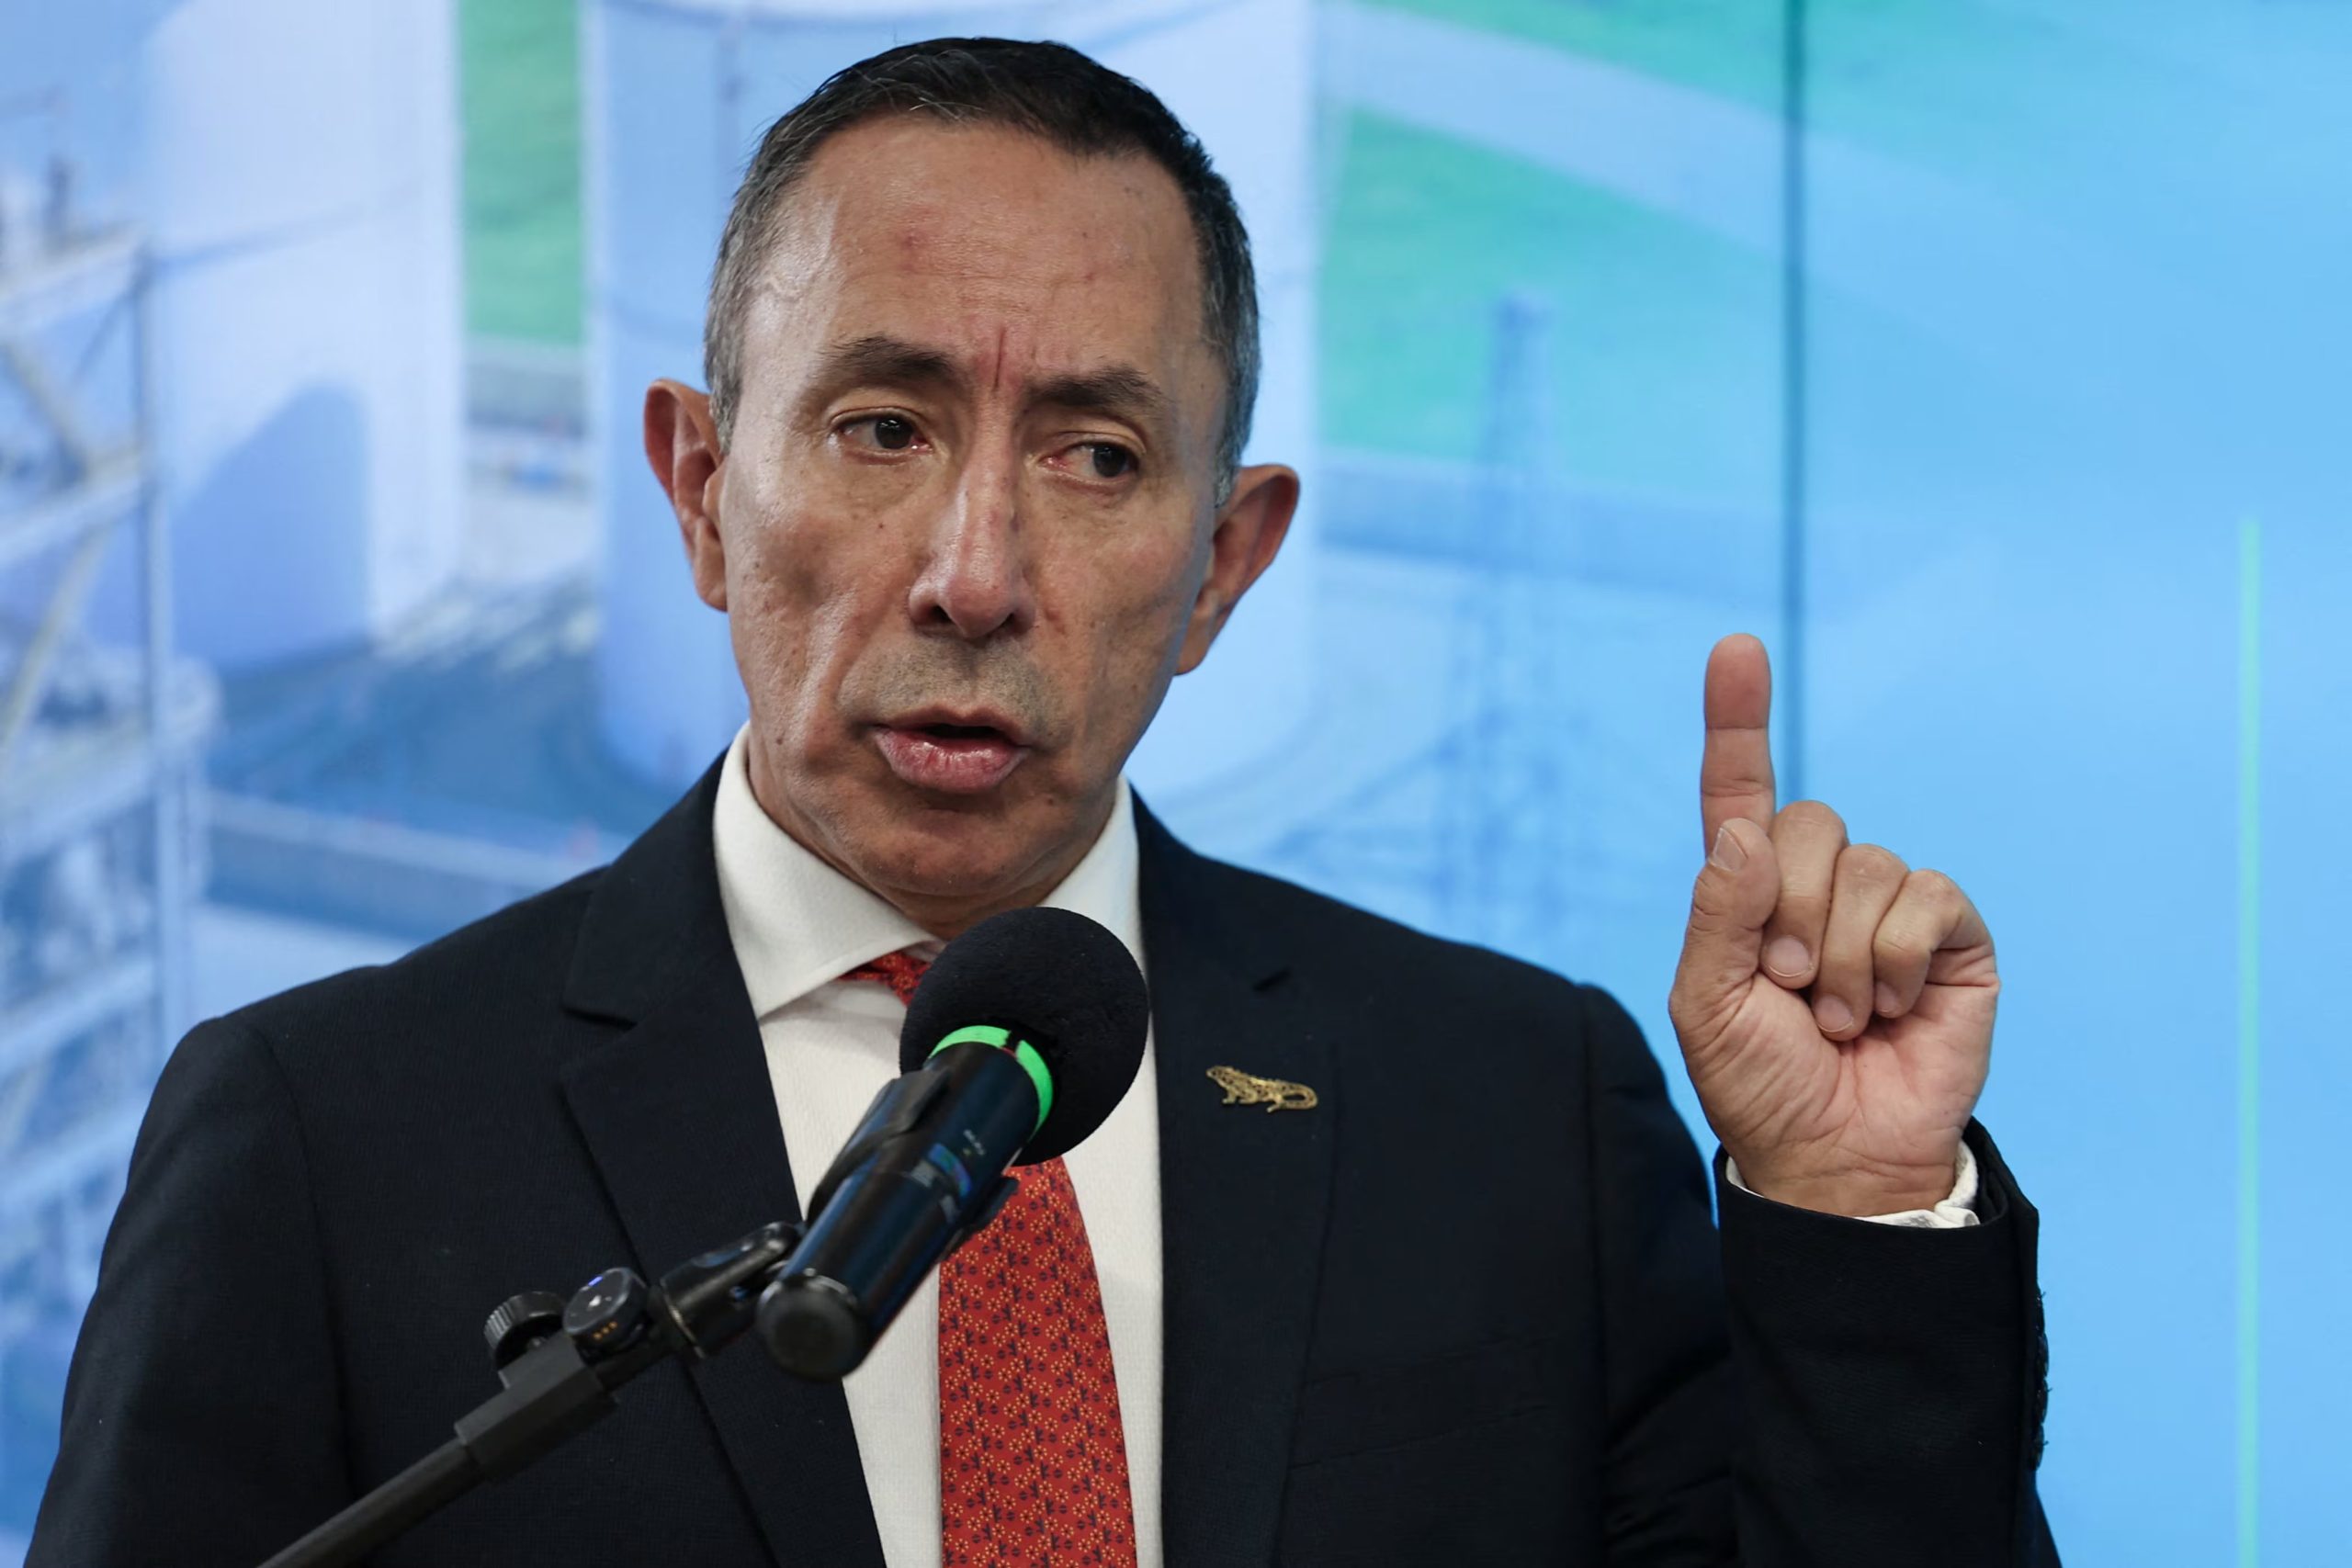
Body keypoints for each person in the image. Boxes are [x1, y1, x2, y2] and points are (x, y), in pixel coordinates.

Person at [30, 38, 2058, 1568]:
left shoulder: (1510, 1107)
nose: (973, 570)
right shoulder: (324, 1138)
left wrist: (1858, 1208)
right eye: (882, 426)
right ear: (698, 489)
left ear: (1223, 564)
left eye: (1095, 454)